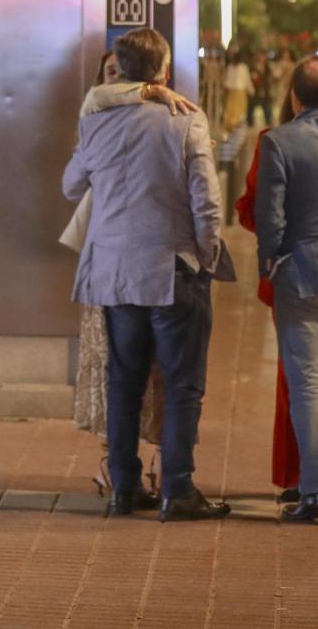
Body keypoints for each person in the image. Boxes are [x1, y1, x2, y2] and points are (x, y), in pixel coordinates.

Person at [62, 28, 230, 521]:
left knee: (124, 383)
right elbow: (207, 202)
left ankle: (124, 488)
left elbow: (71, 185)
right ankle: (177, 489)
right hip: (173, 267)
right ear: (164, 71)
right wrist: (207, 255)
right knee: (183, 384)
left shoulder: (96, 123)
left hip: (115, 272)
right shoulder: (186, 121)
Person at [254, 56, 318, 524]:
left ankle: (315, 490)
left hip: (302, 275)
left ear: (294, 96)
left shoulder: (279, 141)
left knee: (308, 384)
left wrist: (271, 260)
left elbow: (270, 214)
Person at [236, 88, 302, 503]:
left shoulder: (274, 140)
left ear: (294, 97)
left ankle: (299, 476)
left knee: (295, 377)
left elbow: (252, 209)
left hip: (291, 277)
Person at [223, 52, 252, 131]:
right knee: (239, 109)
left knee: (232, 108)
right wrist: (251, 90)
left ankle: (232, 125)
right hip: (240, 91)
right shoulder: (243, 67)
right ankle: (236, 125)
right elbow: (247, 79)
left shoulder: (232, 67)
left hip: (234, 91)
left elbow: (228, 80)